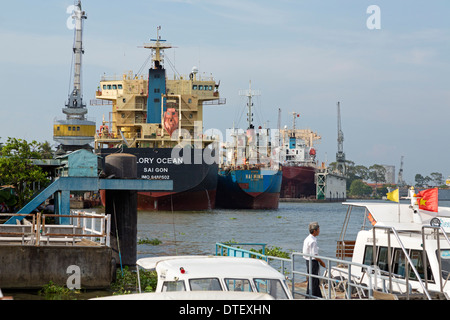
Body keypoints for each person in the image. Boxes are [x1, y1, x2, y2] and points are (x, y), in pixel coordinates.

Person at [303, 222, 326, 298]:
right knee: (313, 280)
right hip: (312, 262)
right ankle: (312, 297)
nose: (319, 231)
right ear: (314, 231)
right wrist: (322, 262)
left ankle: (313, 296)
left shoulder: (307, 238)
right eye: (318, 229)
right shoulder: (313, 241)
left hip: (308, 261)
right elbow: (314, 255)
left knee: (312, 280)